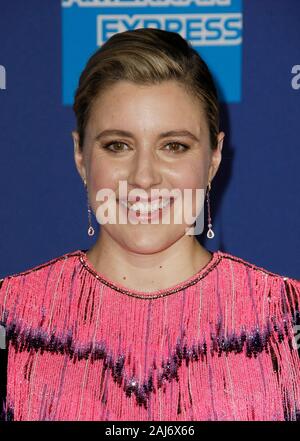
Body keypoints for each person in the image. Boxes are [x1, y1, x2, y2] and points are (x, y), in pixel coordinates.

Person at [0, 28, 299, 421]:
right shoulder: (12, 317)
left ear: (213, 157)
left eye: (173, 146)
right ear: (79, 156)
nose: (143, 177)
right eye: (117, 145)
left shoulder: (284, 319)